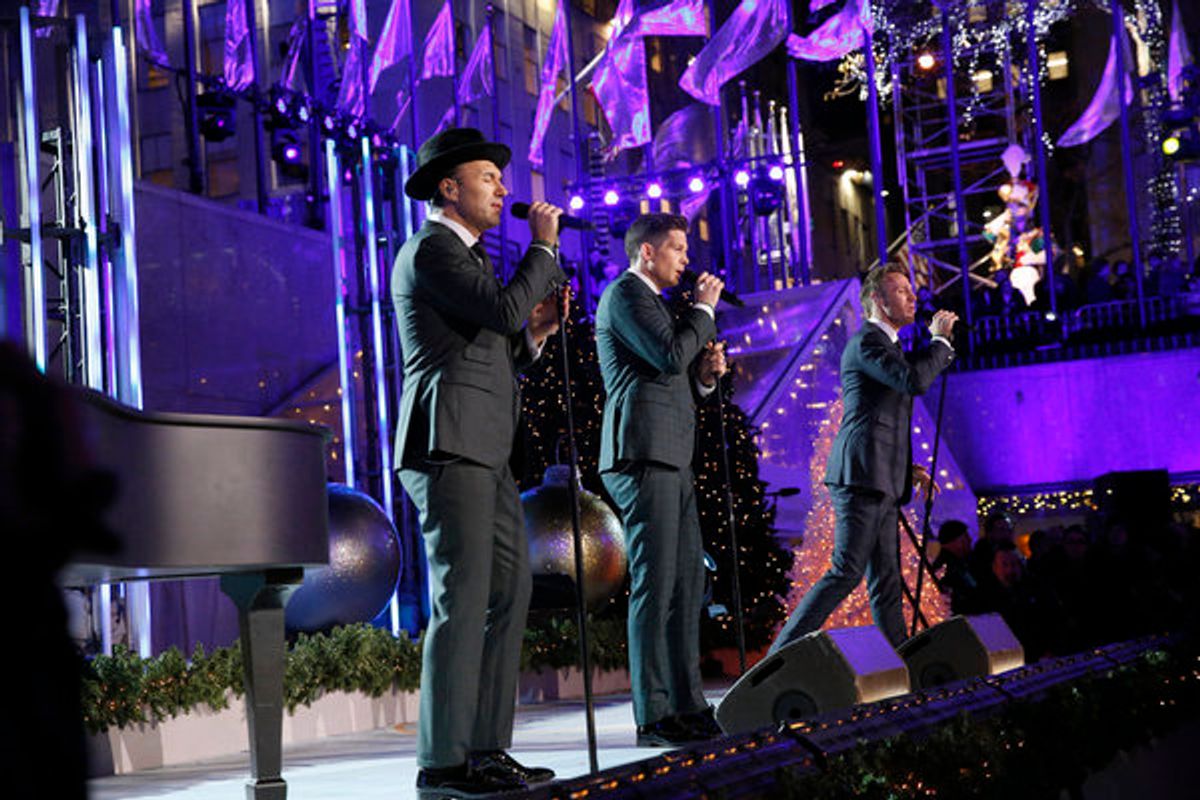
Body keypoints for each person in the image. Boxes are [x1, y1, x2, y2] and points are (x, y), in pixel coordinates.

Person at [391, 128, 565, 798]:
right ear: (448, 186)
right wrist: (543, 251)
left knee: (507, 592)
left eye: (500, 177)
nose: (504, 189)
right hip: (448, 440)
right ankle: (442, 761)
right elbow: (498, 309)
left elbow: (494, 343)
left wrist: (537, 335)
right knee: (462, 595)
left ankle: (485, 749)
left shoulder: (466, 257)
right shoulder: (434, 250)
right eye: (489, 177)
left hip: (484, 444)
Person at [770, 263, 956, 652]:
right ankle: (781, 655)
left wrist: (907, 469)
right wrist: (940, 343)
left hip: (881, 477)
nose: (913, 296)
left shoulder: (888, 346)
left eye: (911, 289)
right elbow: (914, 381)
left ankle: (900, 664)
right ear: (877, 300)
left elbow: (883, 418)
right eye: (902, 290)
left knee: (887, 582)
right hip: (860, 476)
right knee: (845, 571)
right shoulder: (868, 341)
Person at [595, 213, 728, 747]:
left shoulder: (654, 304)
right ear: (646, 252)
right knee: (655, 584)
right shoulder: (626, 295)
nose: (685, 258)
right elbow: (669, 355)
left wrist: (704, 380)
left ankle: (688, 704)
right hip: (642, 453)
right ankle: (654, 713)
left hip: (673, 454)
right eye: (675, 247)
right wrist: (703, 311)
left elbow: (674, 374)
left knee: (686, 583)